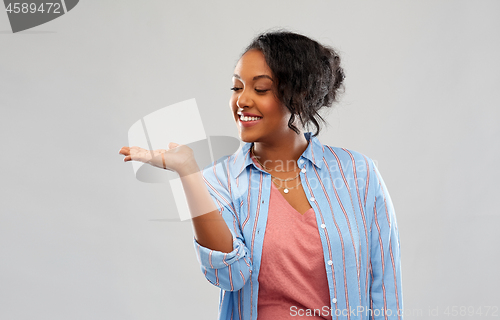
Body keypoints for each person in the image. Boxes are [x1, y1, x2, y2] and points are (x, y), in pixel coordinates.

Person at [119, 30, 403, 320]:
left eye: (261, 89)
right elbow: (230, 275)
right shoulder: (220, 180)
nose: (242, 100)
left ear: (299, 95)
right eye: (237, 88)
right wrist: (188, 172)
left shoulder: (359, 173)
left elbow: (385, 287)